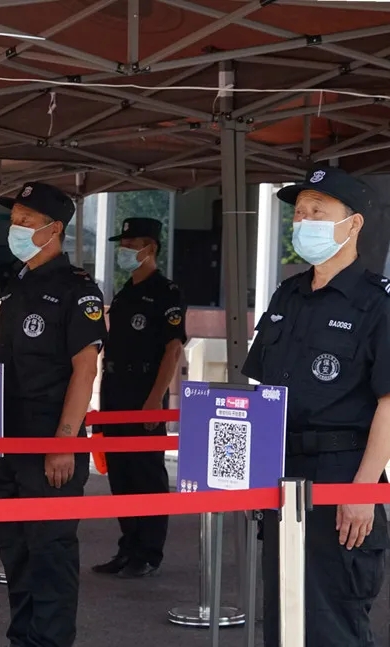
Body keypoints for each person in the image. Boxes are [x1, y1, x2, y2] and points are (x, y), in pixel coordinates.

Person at [243, 166, 389, 647]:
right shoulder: (288, 294)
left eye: (317, 212)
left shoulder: (378, 304)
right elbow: (262, 387)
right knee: (283, 615)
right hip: (283, 471)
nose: (303, 221)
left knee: (332, 621)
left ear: (353, 223)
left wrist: (363, 488)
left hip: (341, 471)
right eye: (300, 212)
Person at [0, 182, 107, 647]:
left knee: (50, 554)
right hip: (8, 442)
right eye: (14, 219)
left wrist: (64, 442)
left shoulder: (77, 289)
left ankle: (50, 641)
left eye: (25, 221)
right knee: (15, 552)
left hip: (49, 443)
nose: (15, 228)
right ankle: (23, 638)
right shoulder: (17, 284)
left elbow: (85, 369)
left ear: (54, 229)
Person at [92, 217, 186, 578]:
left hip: (144, 391)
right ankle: (128, 546)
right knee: (120, 473)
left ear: (151, 248)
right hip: (115, 391)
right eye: (123, 246)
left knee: (146, 472)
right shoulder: (125, 292)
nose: (125, 252)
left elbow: (172, 350)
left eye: (132, 246)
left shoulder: (166, 291)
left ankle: (148, 551)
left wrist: (154, 400)